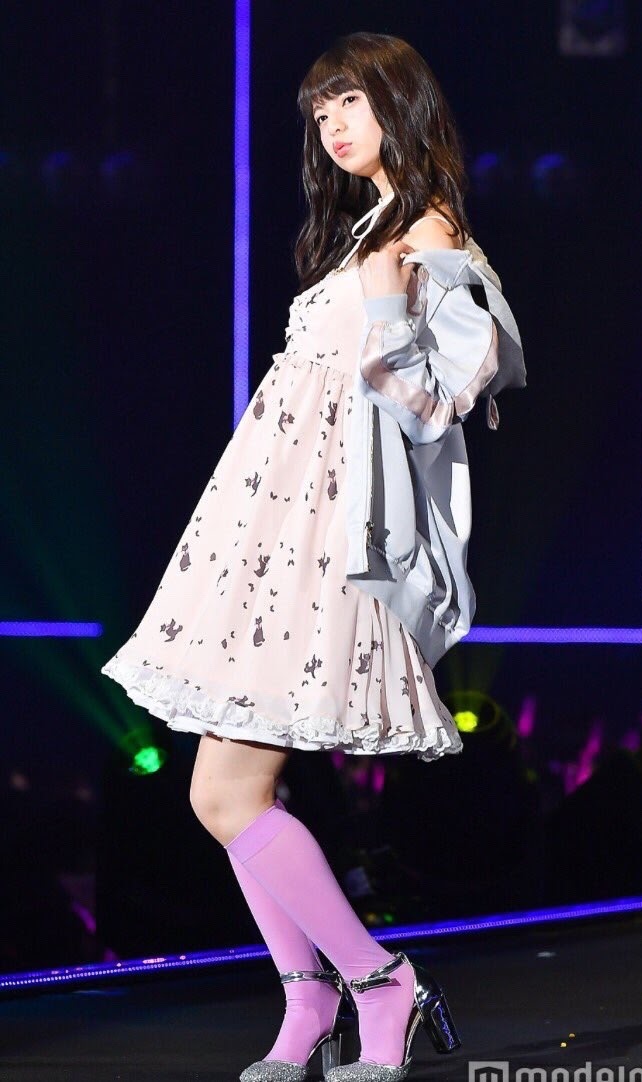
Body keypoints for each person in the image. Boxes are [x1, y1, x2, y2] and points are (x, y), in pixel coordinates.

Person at [101, 30, 524, 1082]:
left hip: (327, 538)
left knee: (229, 796)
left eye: (351, 102)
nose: (334, 124)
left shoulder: (429, 228)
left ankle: (380, 981)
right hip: (272, 528)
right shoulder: (369, 224)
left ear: (399, 105)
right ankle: (310, 999)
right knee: (217, 797)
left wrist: (383, 303)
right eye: (321, 109)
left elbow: (444, 400)